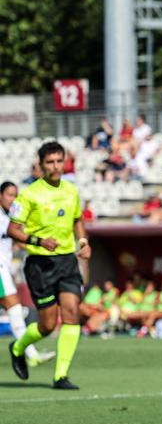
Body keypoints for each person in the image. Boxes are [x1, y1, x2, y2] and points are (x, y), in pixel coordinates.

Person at [6, 142, 90, 389]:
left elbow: (77, 219)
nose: (55, 167)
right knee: (48, 324)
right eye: (50, 162)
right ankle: (18, 346)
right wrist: (39, 240)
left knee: (72, 312)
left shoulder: (71, 190)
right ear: (41, 165)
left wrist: (83, 241)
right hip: (40, 264)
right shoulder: (29, 194)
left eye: (59, 161)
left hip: (67, 261)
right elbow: (12, 229)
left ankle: (60, 376)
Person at [0, 181, 55, 367]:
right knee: (15, 309)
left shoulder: (10, 218)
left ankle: (30, 353)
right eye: (9, 194)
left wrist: (43, 248)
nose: (13, 199)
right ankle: (30, 354)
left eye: (16, 195)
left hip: (4, 268)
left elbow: (20, 241)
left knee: (15, 310)